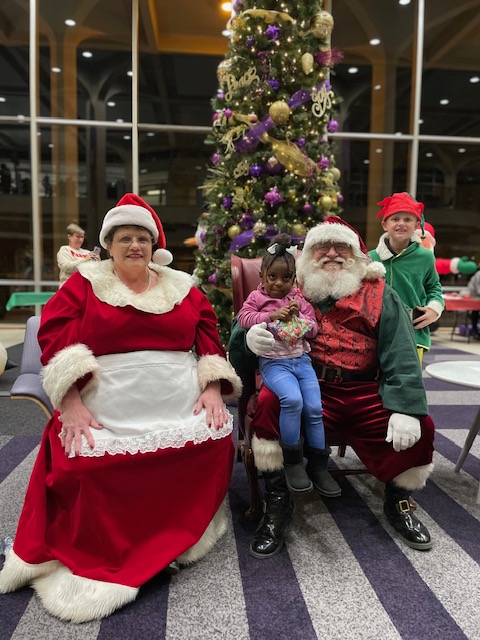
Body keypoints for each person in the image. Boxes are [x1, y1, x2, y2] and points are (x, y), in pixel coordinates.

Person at [0, 193, 242, 623]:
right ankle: (106, 549)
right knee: (88, 461)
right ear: (108, 245)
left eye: (142, 239)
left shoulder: (179, 285)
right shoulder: (86, 283)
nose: (135, 246)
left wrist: (211, 385)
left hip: (176, 401)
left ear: (154, 246)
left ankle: (178, 533)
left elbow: (207, 329)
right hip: (105, 402)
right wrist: (69, 400)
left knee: (213, 440)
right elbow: (54, 337)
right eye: (125, 238)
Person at [229, 216, 435, 559]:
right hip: (308, 383)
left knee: (421, 425)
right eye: (322, 246)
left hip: (365, 391)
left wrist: (405, 407)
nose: (332, 253)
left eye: (342, 246)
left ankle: (397, 501)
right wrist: (249, 339)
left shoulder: (380, 295)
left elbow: (401, 353)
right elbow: (242, 337)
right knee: (269, 405)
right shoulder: (288, 289)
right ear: (307, 256)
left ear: (356, 255)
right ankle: (277, 504)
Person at [237, 234, 340, 497]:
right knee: (292, 401)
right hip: (274, 364)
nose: (279, 284)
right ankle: (293, 461)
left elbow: (314, 330)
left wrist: (300, 319)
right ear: (262, 276)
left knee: (315, 408)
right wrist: (270, 315)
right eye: (272, 277)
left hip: (302, 362)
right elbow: (244, 318)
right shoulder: (257, 298)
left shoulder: (299, 299)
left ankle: (319, 465)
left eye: (286, 278)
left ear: (294, 278)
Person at [369, 192, 444, 363]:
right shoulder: (371, 258)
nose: (401, 223)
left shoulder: (425, 257)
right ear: (384, 224)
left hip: (414, 333)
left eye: (407, 219)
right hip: (378, 335)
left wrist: (434, 309)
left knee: (408, 383)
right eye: (395, 219)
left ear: (417, 224)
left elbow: (434, 287)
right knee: (376, 384)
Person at [468, 267, 480, 340]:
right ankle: (474, 331)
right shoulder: (479, 274)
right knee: (475, 312)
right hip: (475, 296)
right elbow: (477, 287)